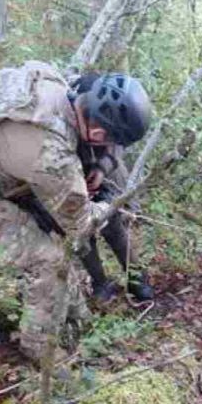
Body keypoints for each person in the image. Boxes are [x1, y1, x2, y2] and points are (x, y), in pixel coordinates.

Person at [68, 72, 154, 302]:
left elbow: (116, 143)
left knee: (114, 226)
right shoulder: (60, 119)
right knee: (82, 235)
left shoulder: (105, 104)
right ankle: (100, 284)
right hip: (66, 180)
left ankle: (136, 279)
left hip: (95, 173)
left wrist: (102, 169)